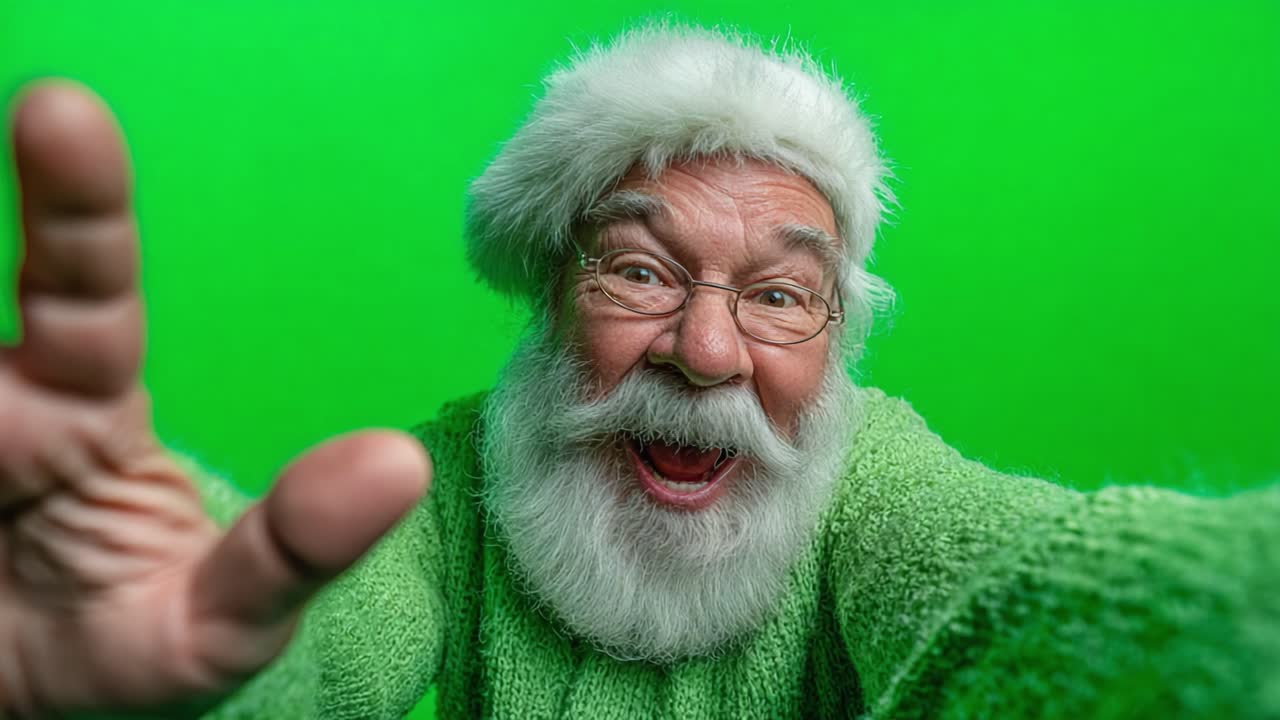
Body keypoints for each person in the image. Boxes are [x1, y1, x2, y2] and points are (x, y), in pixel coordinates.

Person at [1, 24, 1276, 720]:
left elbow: (1016, 595)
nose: (709, 354)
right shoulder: (451, 490)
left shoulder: (871, 482)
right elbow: (316, 644)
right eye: (640, 274)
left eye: (781, 296)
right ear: (550, 294)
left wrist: (1241, 612)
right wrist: (174, 616)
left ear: (837, 336)